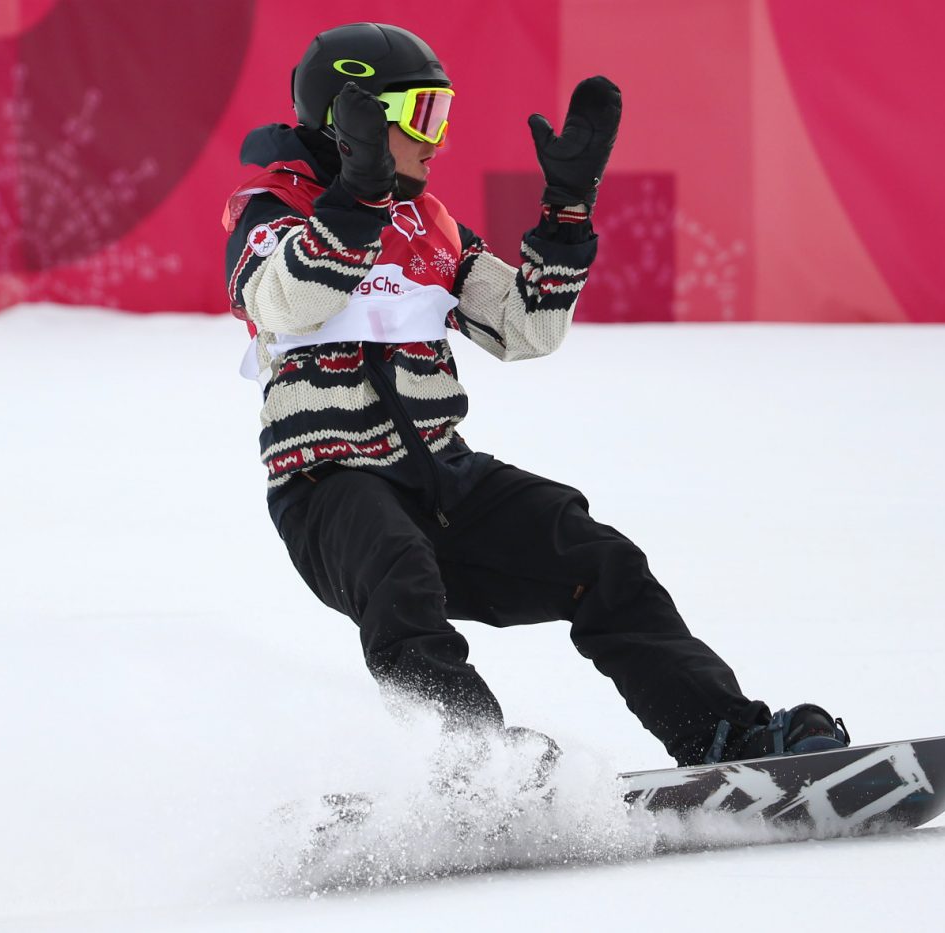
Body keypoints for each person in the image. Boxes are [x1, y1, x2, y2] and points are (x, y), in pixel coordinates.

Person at [222, 22, 848, 771]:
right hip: (329, 491)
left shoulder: (429, 227)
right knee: (398, 571)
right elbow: (284, 301)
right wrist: (355, 198)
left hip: (440, 480)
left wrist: (568, 212)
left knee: (599, 559)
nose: (438, 140)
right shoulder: (270, 211)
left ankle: (720, 733)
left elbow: (527, 328)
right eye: (423, 115)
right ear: (356, 119)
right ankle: (473, 763)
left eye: (443, 115)